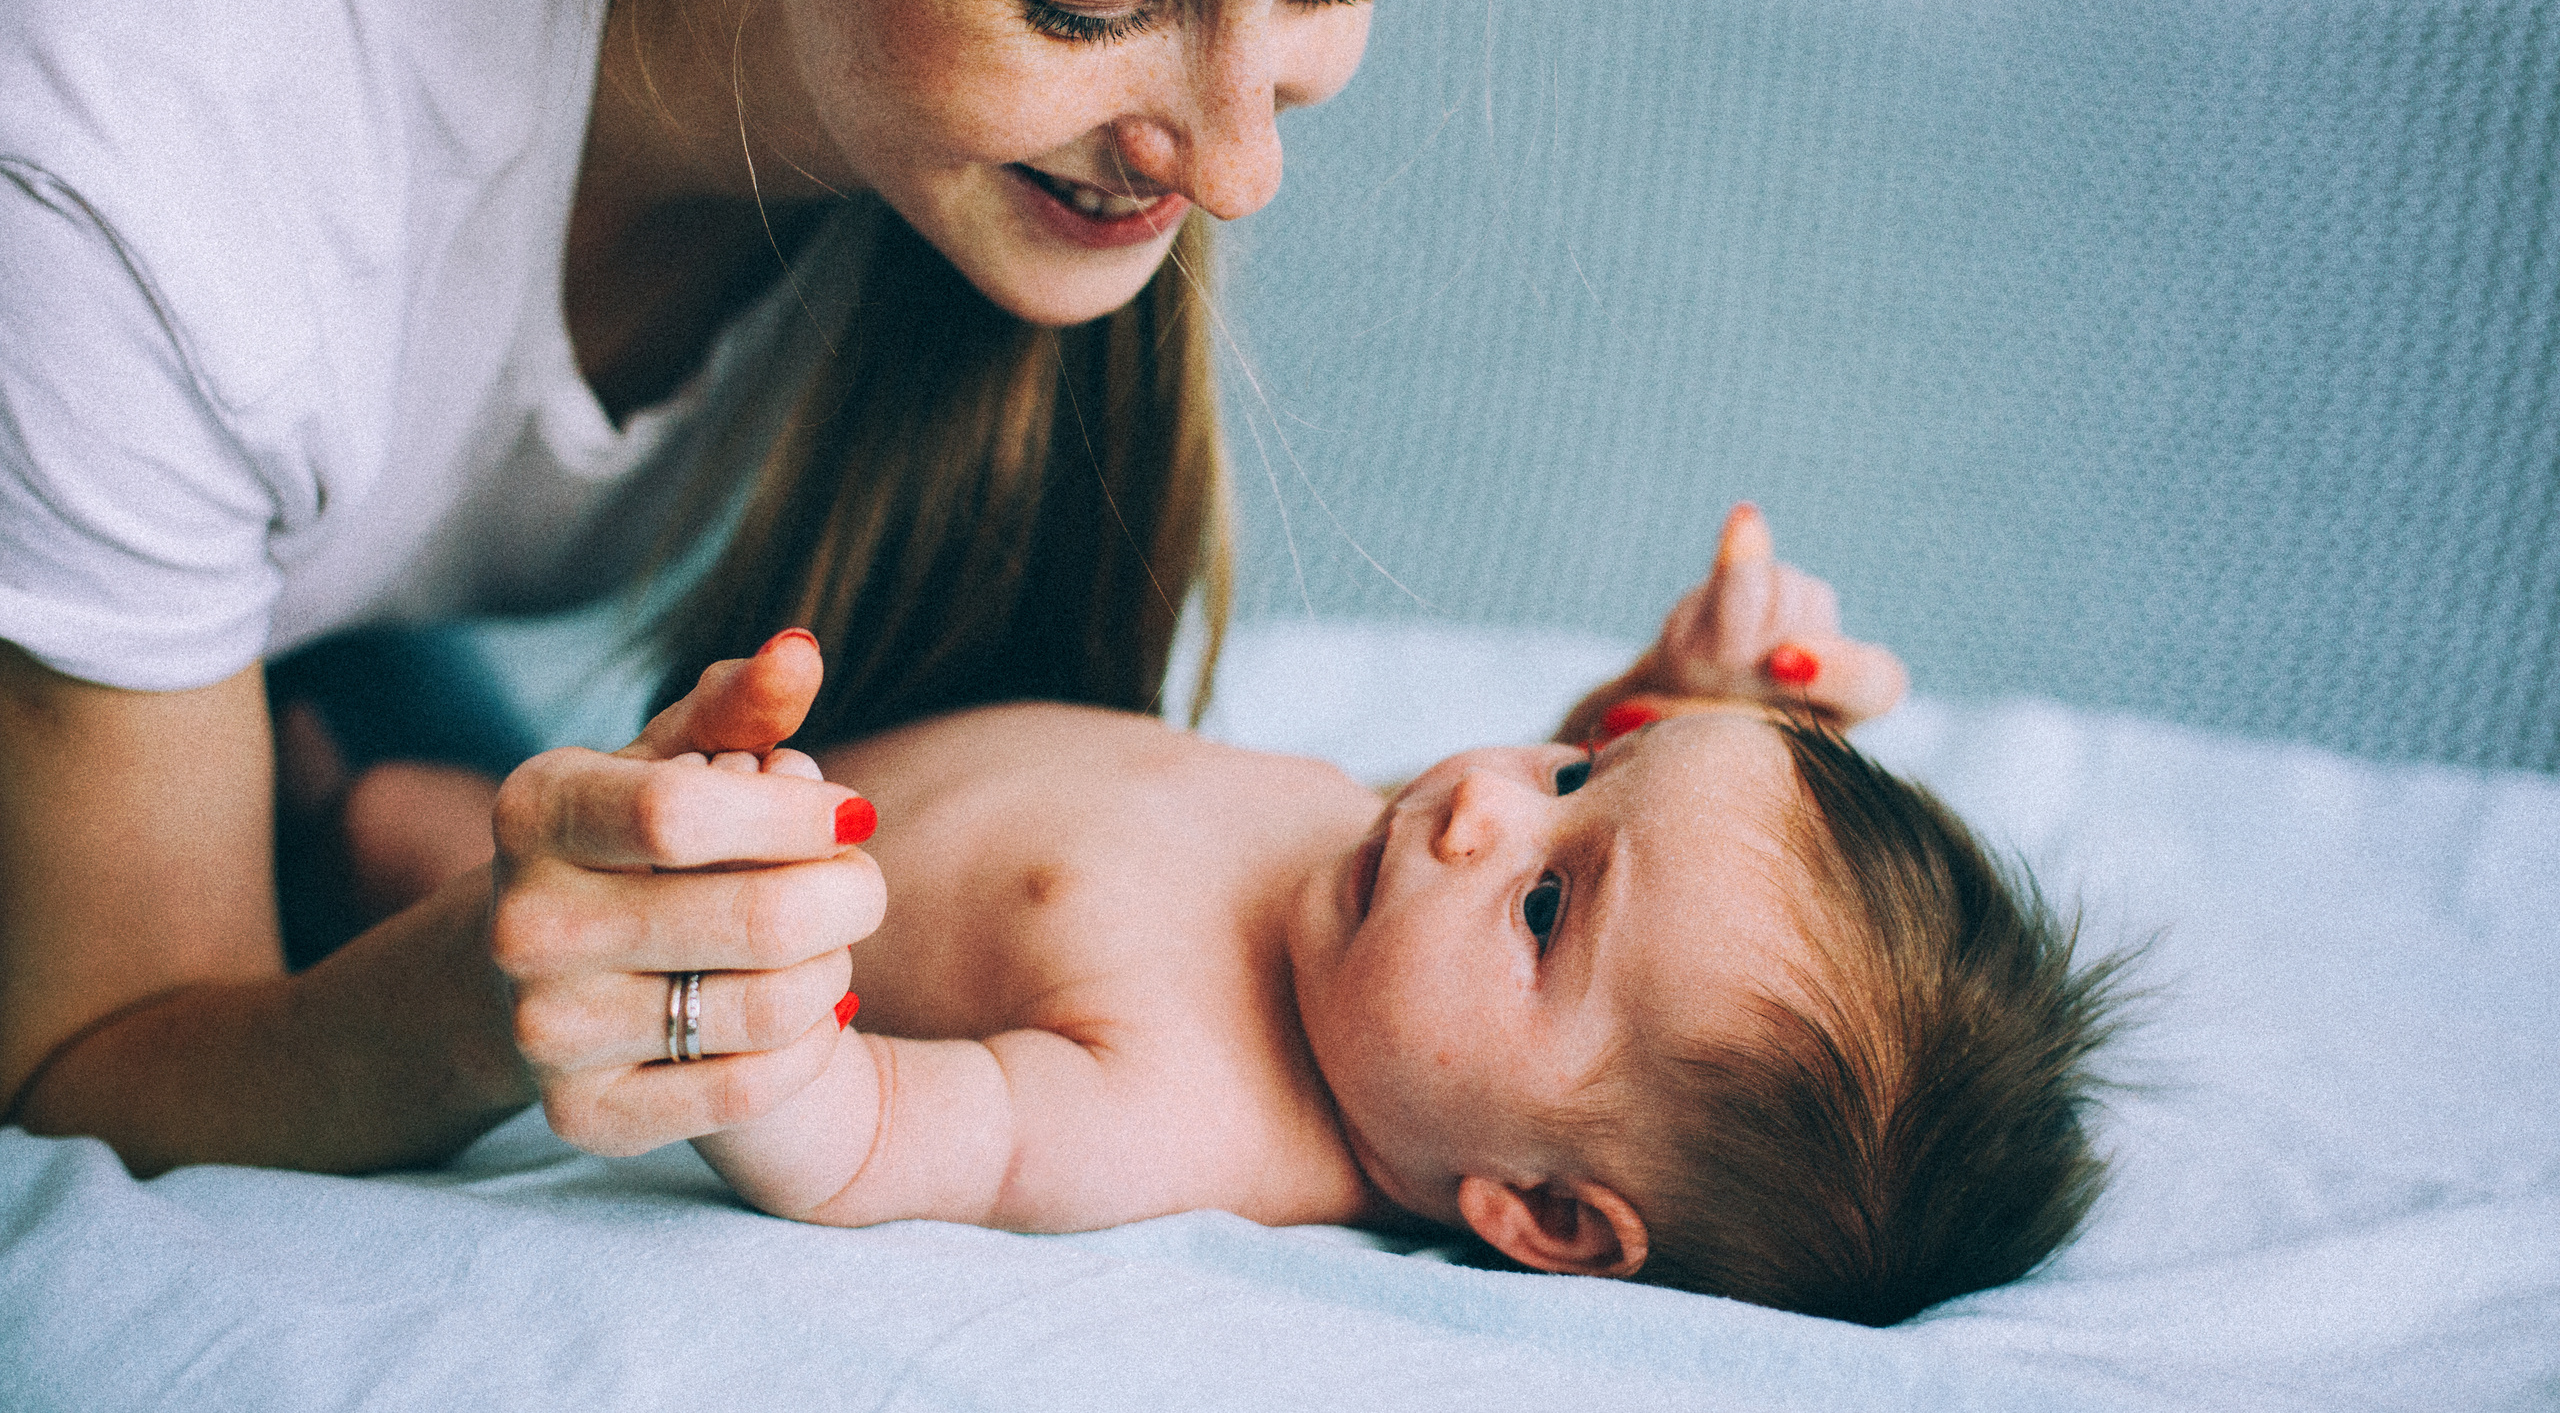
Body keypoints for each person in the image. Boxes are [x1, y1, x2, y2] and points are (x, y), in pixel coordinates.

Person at [0, 0, 1497, 1174]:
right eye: (1086, 5)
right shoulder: (139, 138)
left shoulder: (973, 126)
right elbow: (91, 1064)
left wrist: (1577, 889)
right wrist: (486, 994)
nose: (1240, 166)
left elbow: (1010, 878)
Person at [339, 507, 2121, 1323]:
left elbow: (888, 1141)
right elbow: (1564, 850)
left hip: (632, 882)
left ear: (1549, 1223)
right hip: (703, 730)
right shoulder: (1391, 913)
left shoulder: (1193, 1111)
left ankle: (303, 793)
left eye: (1549, 902)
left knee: (382, 815)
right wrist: (1669, 704)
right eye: (1582, 771)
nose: (1489, 801)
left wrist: (745, 998)